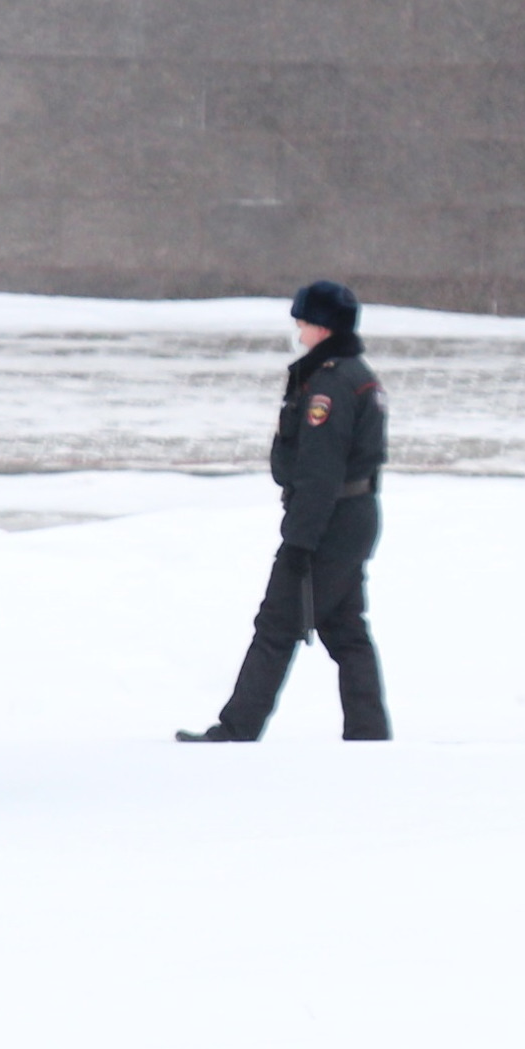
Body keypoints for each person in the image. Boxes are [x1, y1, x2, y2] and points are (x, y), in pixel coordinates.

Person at [177, 280, 394, 742]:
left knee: (277, 624)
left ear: (323, 325)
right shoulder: (358, 373)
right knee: (344, 628)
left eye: (304, 319)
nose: (298, 328)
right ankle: (369, 735)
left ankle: (237, 730)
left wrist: (299, 543)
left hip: (330, 522)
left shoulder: (331, 384)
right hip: (353, 517)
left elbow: (320, 472)